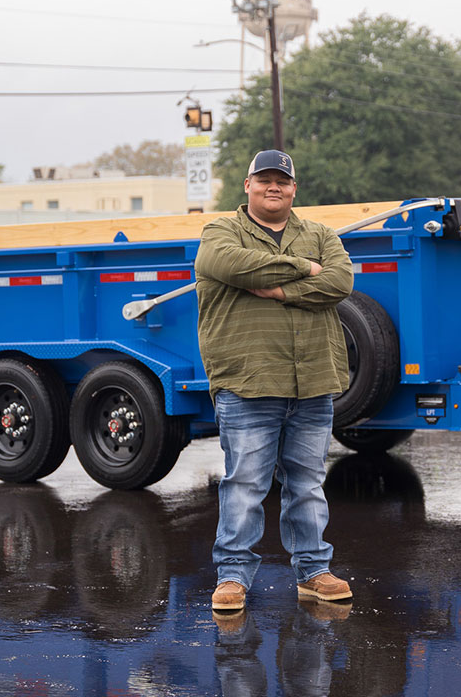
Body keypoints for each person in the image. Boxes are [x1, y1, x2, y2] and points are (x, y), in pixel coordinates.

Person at [196, 149, 355, 611]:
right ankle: (232, 577)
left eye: (281, 181)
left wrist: (279, 289)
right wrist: (306, 269)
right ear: (247, 186)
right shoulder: (221, 232)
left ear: (293, 189)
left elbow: (341, 282)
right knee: (245, 483)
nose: (273, 187)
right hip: (248, 380)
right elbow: (229, 265)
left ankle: (314, 571)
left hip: (312, 382)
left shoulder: (320, 234)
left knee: (307, 482)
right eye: (263, 179)